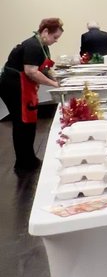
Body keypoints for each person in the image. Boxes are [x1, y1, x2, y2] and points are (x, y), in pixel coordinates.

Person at [0, 18, 63, 173]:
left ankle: (29, 157)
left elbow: (46, 68)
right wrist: (54, 84)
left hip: (23, 86)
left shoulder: (43, 46)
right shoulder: (32, 46)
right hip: (13, 86)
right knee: (22, 123)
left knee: (29, 123)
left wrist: (57, 79)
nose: (55, 41)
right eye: (54, 37)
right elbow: (31, 71)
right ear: (45, 31)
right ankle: (22, 162)